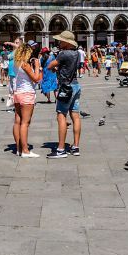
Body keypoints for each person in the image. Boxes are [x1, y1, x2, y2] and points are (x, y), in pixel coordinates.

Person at [47, 31, 82, 159]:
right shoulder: (77, 53)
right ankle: (75, 146)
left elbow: (50, 65)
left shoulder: (63, 54)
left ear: (67, 43)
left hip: (66, 88)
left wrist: (54, 67)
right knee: (75, 115)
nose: (59, 42)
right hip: (76, 86)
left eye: (61, 41)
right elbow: (69, 67)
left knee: (61, 116)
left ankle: (61, 149)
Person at [12, 41, 42, 158]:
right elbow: (36, 79)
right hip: (27, 93)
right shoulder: (25, 64)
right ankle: (25, 150)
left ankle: (19, 148)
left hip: (17, 93)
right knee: (25, 123)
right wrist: (38, 66)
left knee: (17, 122)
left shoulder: (16, 63)